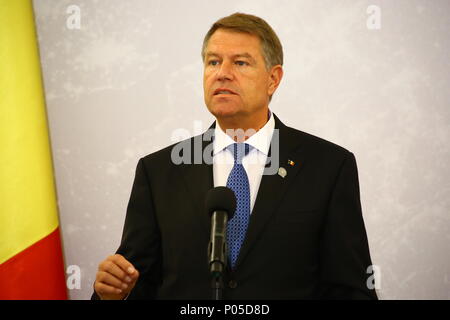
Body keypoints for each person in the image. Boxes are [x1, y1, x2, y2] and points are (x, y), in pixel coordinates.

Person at [92, 12, 377, 300]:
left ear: (273, 79)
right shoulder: (159, 171)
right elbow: (135, 282)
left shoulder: (328, 167)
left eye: (240, 62)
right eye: (213, 62)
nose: (222, 73)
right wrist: (112, 294)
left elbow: (351, 290)